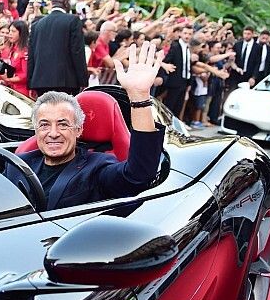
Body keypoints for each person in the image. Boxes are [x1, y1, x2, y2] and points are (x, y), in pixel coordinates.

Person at [17, 42, 166, 210]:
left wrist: (139, 97)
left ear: (79, 129)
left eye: (63, 124)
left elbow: (138, 176)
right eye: (44, 125)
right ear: (36, 130)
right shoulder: (18, 163)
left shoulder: (96, 168)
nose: (53, 133)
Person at [27, 0, 88, 96]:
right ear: (66, 3)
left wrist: (31, 83)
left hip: (40, 82)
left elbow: (31, 55)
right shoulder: (73, 21)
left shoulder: (37, 24)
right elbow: (77, 52)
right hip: (66, 81)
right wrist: (83, 81)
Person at [160, 25, 193, 117]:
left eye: (190, 34)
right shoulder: (175, 46)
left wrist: (189, 82)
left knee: (178, 107)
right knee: (170, 106)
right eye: (185, 33)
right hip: (174, 81)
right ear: (180, 34)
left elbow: (188, 65)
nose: (187, 36)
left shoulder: (188, 47)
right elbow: (167, 60)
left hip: (184, 81)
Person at [0, 19, 30, 97]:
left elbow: (25, 75)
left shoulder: (25, 51)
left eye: (13, 31)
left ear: (21, 33)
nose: (10, 34)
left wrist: (8, 80)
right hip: (13, 88)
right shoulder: (13, 49)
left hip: (22, 91)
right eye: (10, 31)